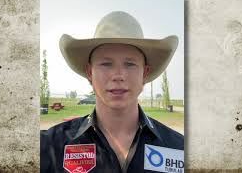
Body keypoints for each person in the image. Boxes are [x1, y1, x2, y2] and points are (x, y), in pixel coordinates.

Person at [41, 11, 184, 173]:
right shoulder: (50, 147)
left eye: (130, 64)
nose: (118, 75)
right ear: (89, 72)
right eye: (106, 64)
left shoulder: (179, 149)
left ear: (144, 73)